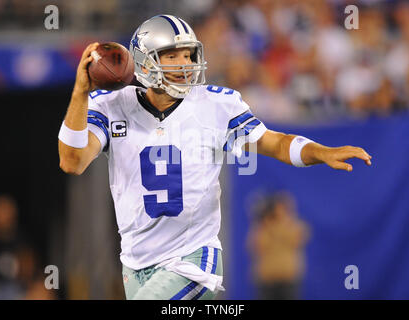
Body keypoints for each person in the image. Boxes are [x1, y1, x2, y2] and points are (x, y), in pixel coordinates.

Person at [58, 14, 372, 300]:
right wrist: (79, 93)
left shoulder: (215, 105)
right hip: (135, 263)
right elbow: (72, 161)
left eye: (188, 54)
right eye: (171, 55)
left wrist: (321, 151)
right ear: (145, 61)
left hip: (193, 258)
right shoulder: (111, 105)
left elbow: (275, 143)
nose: (184, 63)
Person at [247, 191, 310, 300]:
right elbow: (256, 245)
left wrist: (282, 219)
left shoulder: (292, 224)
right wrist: (265, 222)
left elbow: (298, 237)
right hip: (267, 279)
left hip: (288, 278)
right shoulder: (262, 227)